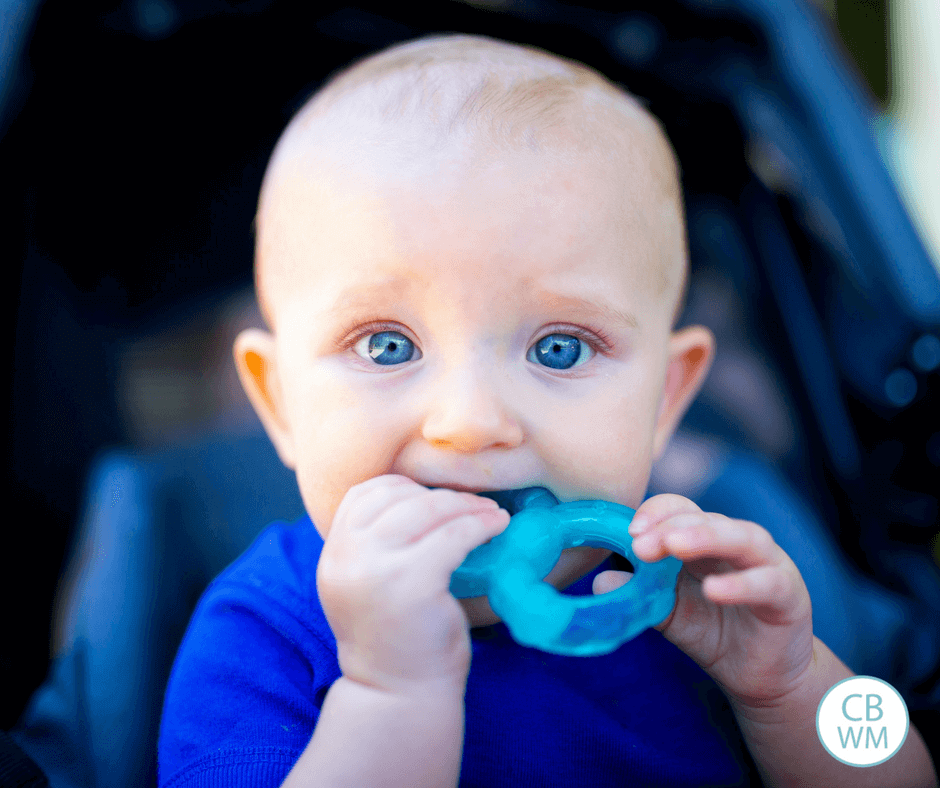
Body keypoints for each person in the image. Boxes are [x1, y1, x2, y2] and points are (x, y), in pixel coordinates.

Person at [157, 34, 938, 787]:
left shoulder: (710, 591)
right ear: (282, 403)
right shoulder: (262, 630)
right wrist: (390, 693)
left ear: (666, 398)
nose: (469, 420)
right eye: (387, 346)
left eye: (559, 348)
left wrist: (793, 688)